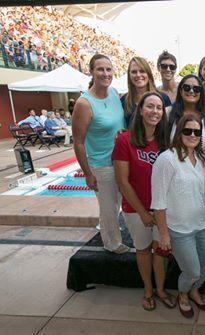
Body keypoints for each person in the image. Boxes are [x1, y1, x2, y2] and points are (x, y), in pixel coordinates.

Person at [112, 91, 175, 311]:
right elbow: (123, 181)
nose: (154, 112)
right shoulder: (124, 140)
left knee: (160, 250)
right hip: (135, 209)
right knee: (143, 249)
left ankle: (160, 289)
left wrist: (157, 212)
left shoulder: (165, 141)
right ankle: (148, 290)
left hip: (162, 208)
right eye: (150, 106)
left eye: (159, 108)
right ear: (140, 110)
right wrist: (143, 213)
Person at [151, 114, 205, 319]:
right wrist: (163, 234)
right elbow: (158, 200)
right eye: (188, 131)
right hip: (179, 228)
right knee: (193, 271)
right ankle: (183, 294)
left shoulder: (203, 159)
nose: (193, 135)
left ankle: (195, 290)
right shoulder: (167, 159)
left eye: (197, 132)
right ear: (179, 133)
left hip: (203, 223)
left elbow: (204, 193)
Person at [72, 54, 129, 254]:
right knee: (109, 207)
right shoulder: (84, 104)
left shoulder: (114, 93)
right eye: (100, 69)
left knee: (116, 205)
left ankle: (108, 231)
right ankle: (112, 243)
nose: (105, 73)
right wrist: (87, 173)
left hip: (121, 160)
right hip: (102, 165)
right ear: (92, 72)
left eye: (108, 69)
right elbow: (78, 143)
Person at [168, 74, 205, 158]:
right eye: (187, 87)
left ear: (201, 93)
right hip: (173, 167)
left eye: (196, 89)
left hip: (202, 168)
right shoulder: (168, 112)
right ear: (180, 91)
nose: (191, 91)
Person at [121, 57, 172, 127]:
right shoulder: (124, 101)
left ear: (148, 74)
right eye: (134, 72)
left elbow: (169, 126)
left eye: (142, 71)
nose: (138, 75)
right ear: (129, 75)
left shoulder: (163, 98)